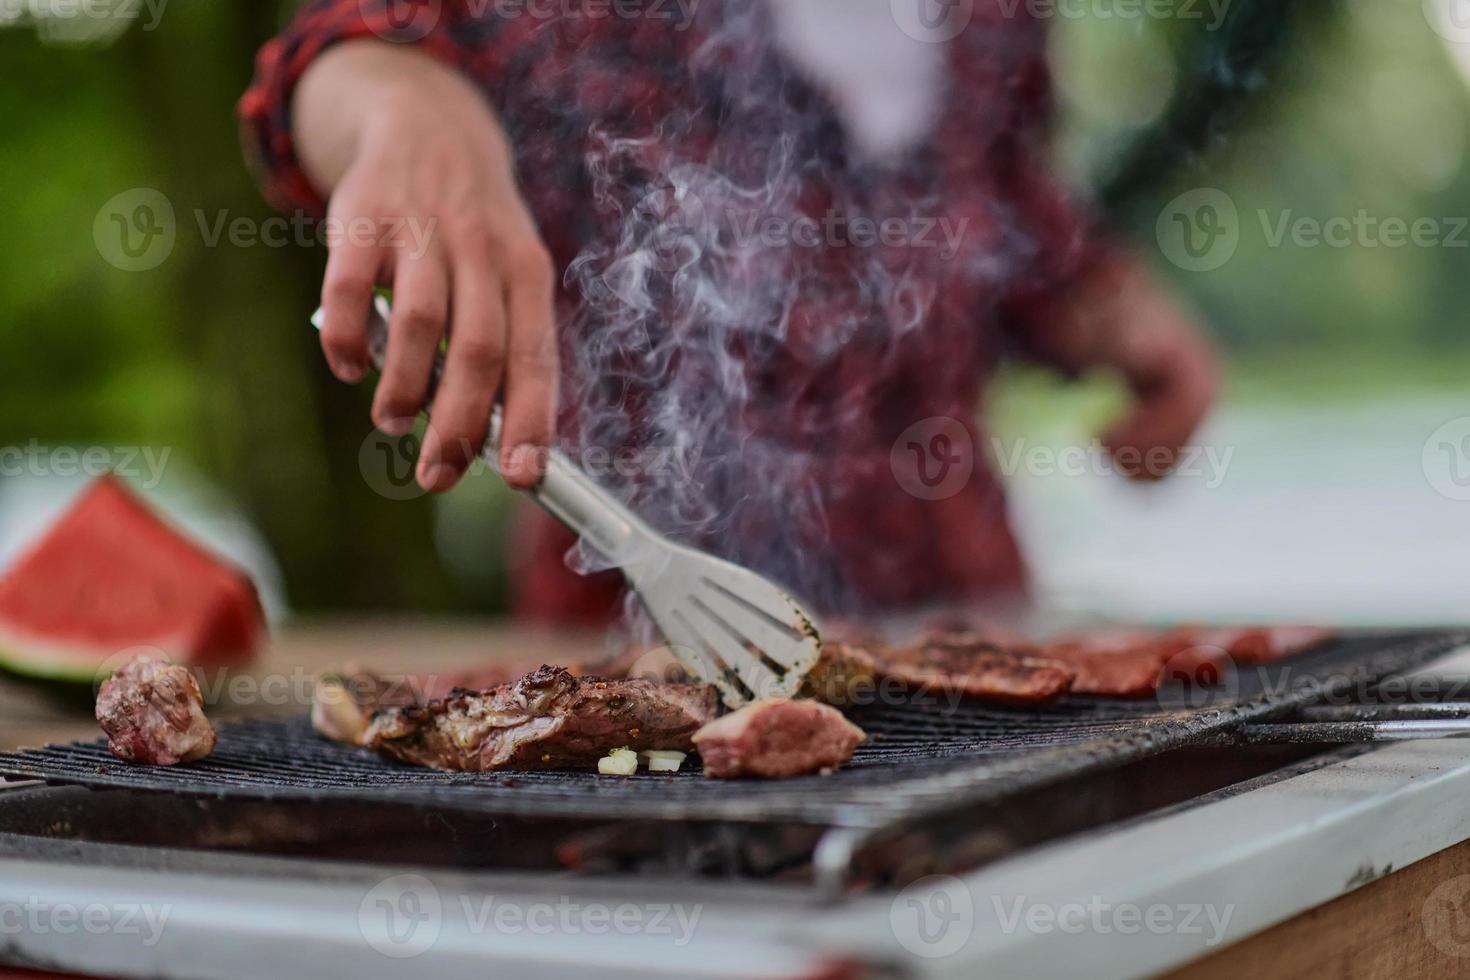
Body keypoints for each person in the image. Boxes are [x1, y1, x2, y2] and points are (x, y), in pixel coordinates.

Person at [240, 0, 1217, 624]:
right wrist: (403, 105)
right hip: (639, 622)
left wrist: (1115, 310)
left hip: (966, 601)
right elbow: (333, 55)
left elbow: (998, 194)